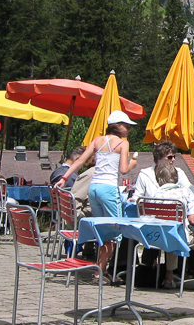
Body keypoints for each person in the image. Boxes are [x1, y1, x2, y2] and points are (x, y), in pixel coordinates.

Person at [53, 110, 139, 278]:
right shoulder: (123, 143)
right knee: (115, 231)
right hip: (108, 188)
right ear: (118, 126)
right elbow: (123, 170)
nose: (129, 130)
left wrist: (64, 177)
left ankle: (101, 267)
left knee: (102, 229)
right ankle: (101, 271)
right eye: (127, 126)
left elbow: (79, 161)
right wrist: (133, 163)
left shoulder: (97, 141)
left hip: (94, 188)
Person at [147, 160, 194, 290]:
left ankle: (169, 277)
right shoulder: (185, 193)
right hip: (178, 237)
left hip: (157, 237)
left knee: (171, 234)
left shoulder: (154, 195)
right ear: (176, 178)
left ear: (159, 180)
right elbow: (192, 220)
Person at [130, 141, 194, 203]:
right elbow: (138, 195)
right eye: (170, 157)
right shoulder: (145, 174)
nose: (173, 159)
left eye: (174, 156)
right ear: (159, 158)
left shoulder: (179, 172)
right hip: (151, 214)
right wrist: (133, 200)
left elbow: (191, 189)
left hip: (175, 213)